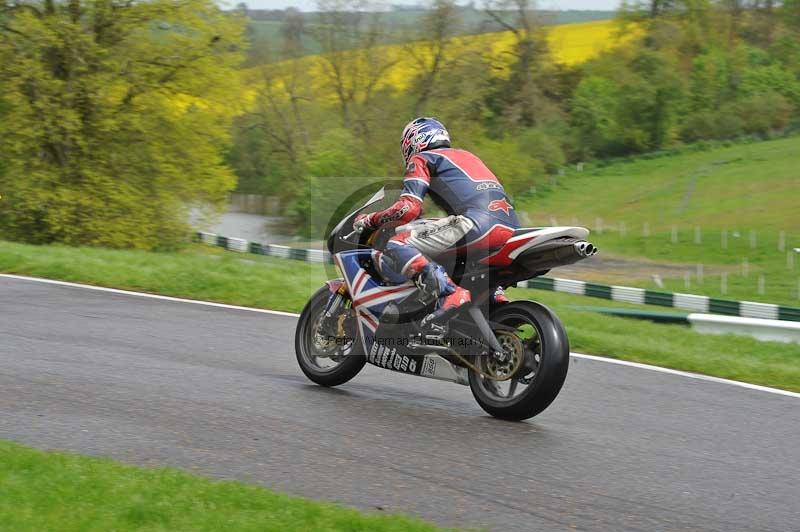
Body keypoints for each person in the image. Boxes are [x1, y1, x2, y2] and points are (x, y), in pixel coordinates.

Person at [353, 117, 520, 327]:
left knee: (398, 243)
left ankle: (450, 293)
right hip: (511, 226)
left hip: (478, 224)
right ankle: (495, 300)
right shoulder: (468, 156)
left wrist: (371, 219)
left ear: (413, 141)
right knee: (462, 259)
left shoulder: (423, 159)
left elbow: (408, 208)